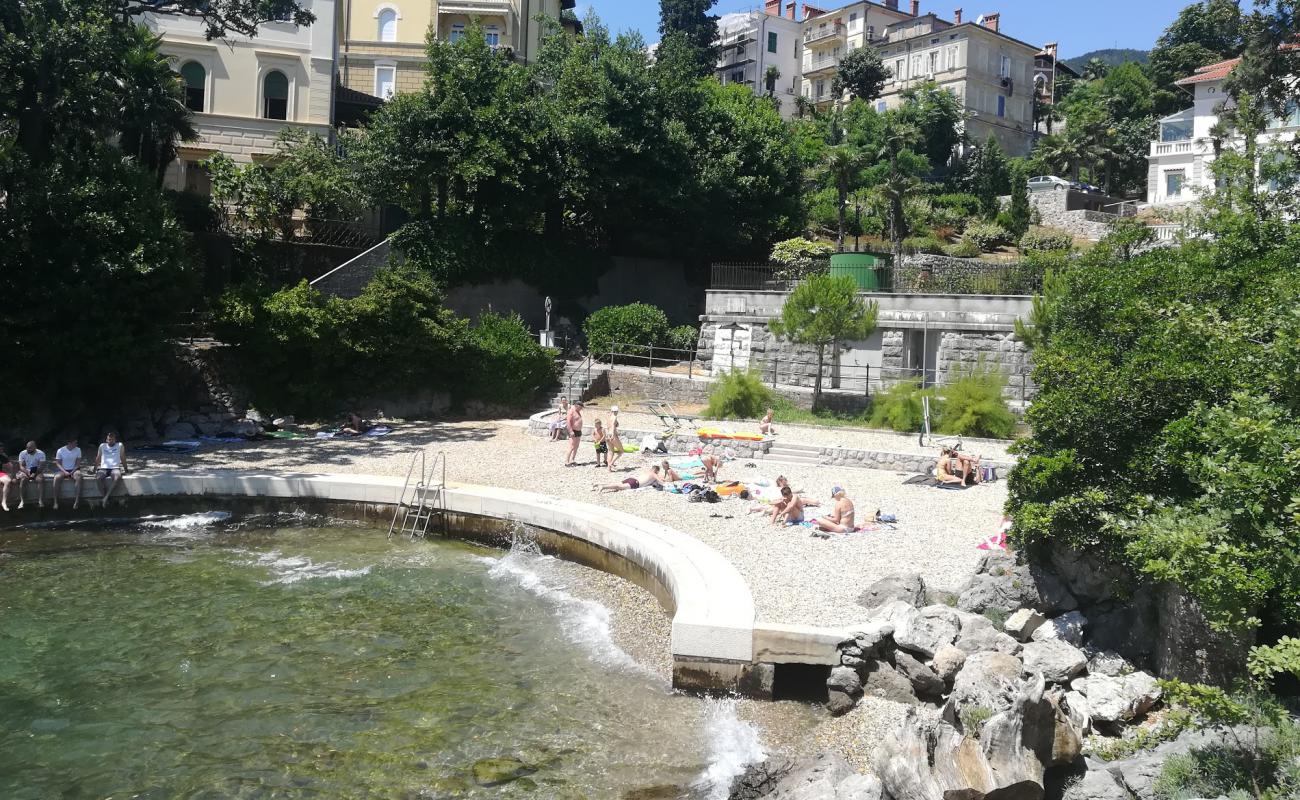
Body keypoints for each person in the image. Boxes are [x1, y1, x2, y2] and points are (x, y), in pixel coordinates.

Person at [96, 432, 128, 508]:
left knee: (117, 477)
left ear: (115, 440)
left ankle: (106, 497)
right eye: (109, 439)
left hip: (115, 468)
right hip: (104, 468)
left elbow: (123, 457)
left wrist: (126, 468)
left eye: (112, 439)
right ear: (106, 440)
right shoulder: (102, 446)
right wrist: (95, 468)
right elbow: (98, 457)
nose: (111, 441)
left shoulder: (119, 445)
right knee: (98, 478)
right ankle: (105, 497)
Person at [53, 437, 85, 510]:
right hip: (63, 469)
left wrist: (72, 471)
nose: (76, 444)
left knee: (79, 476)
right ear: (70, 443)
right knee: (56, 478)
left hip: (74, 469)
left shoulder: (78, 450)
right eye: (75, 443)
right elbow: (58, 463)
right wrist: (65, 472)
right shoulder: (60, 450)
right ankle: (55, 501)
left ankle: (77, 500)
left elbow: (78, 463)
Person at [16, 441, 46, 510]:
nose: (28, 449)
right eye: (27, 447)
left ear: (35, 447)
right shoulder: (22, 453)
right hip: (26, 470)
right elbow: (21, 466)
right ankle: (22, 501)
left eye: (30, 448)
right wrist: (27, 472)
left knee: (40, 479)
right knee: (23, 480)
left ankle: (40, 500)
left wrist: (34, 473)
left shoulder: (41, 453)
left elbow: (41, 466)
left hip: (37, 470)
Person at [594, 465, 662, 493]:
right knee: (618, 487)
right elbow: (660, 481)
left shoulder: (647, 471)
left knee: (616, 484)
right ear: (656, 471)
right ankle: (603, 487)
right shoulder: (654, 474)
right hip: (635, 483)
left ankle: (599, 484)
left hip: (631, 479)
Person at [564, 401, 584, 466]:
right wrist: (570, 431)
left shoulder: (578, 411)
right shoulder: (571, 411)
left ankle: (572, 460)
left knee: (576, 446)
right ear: (577, 406)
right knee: (571, 446)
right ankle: (567, 461)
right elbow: (568, 422)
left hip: (578, 431)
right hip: (573, 431)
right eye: (580, 407)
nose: (581, 409)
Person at [606, 406, 624, 472]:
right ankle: (611, 463)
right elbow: (613, 425)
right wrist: (613, 434)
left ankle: (609, 469)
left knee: (610, 452)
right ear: (616, 411)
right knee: (621, 451)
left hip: (608, 435)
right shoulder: (614, 417)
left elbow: (608, 426)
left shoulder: (608, 417)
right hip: (612, 435)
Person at [0, 446, 12, 512]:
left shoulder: (3, 456)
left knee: (8, 480)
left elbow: (10, 466)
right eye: (0, 449)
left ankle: (3, 502)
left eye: (2, 449)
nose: (1, 450)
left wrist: (11, 474)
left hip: (0, 473)